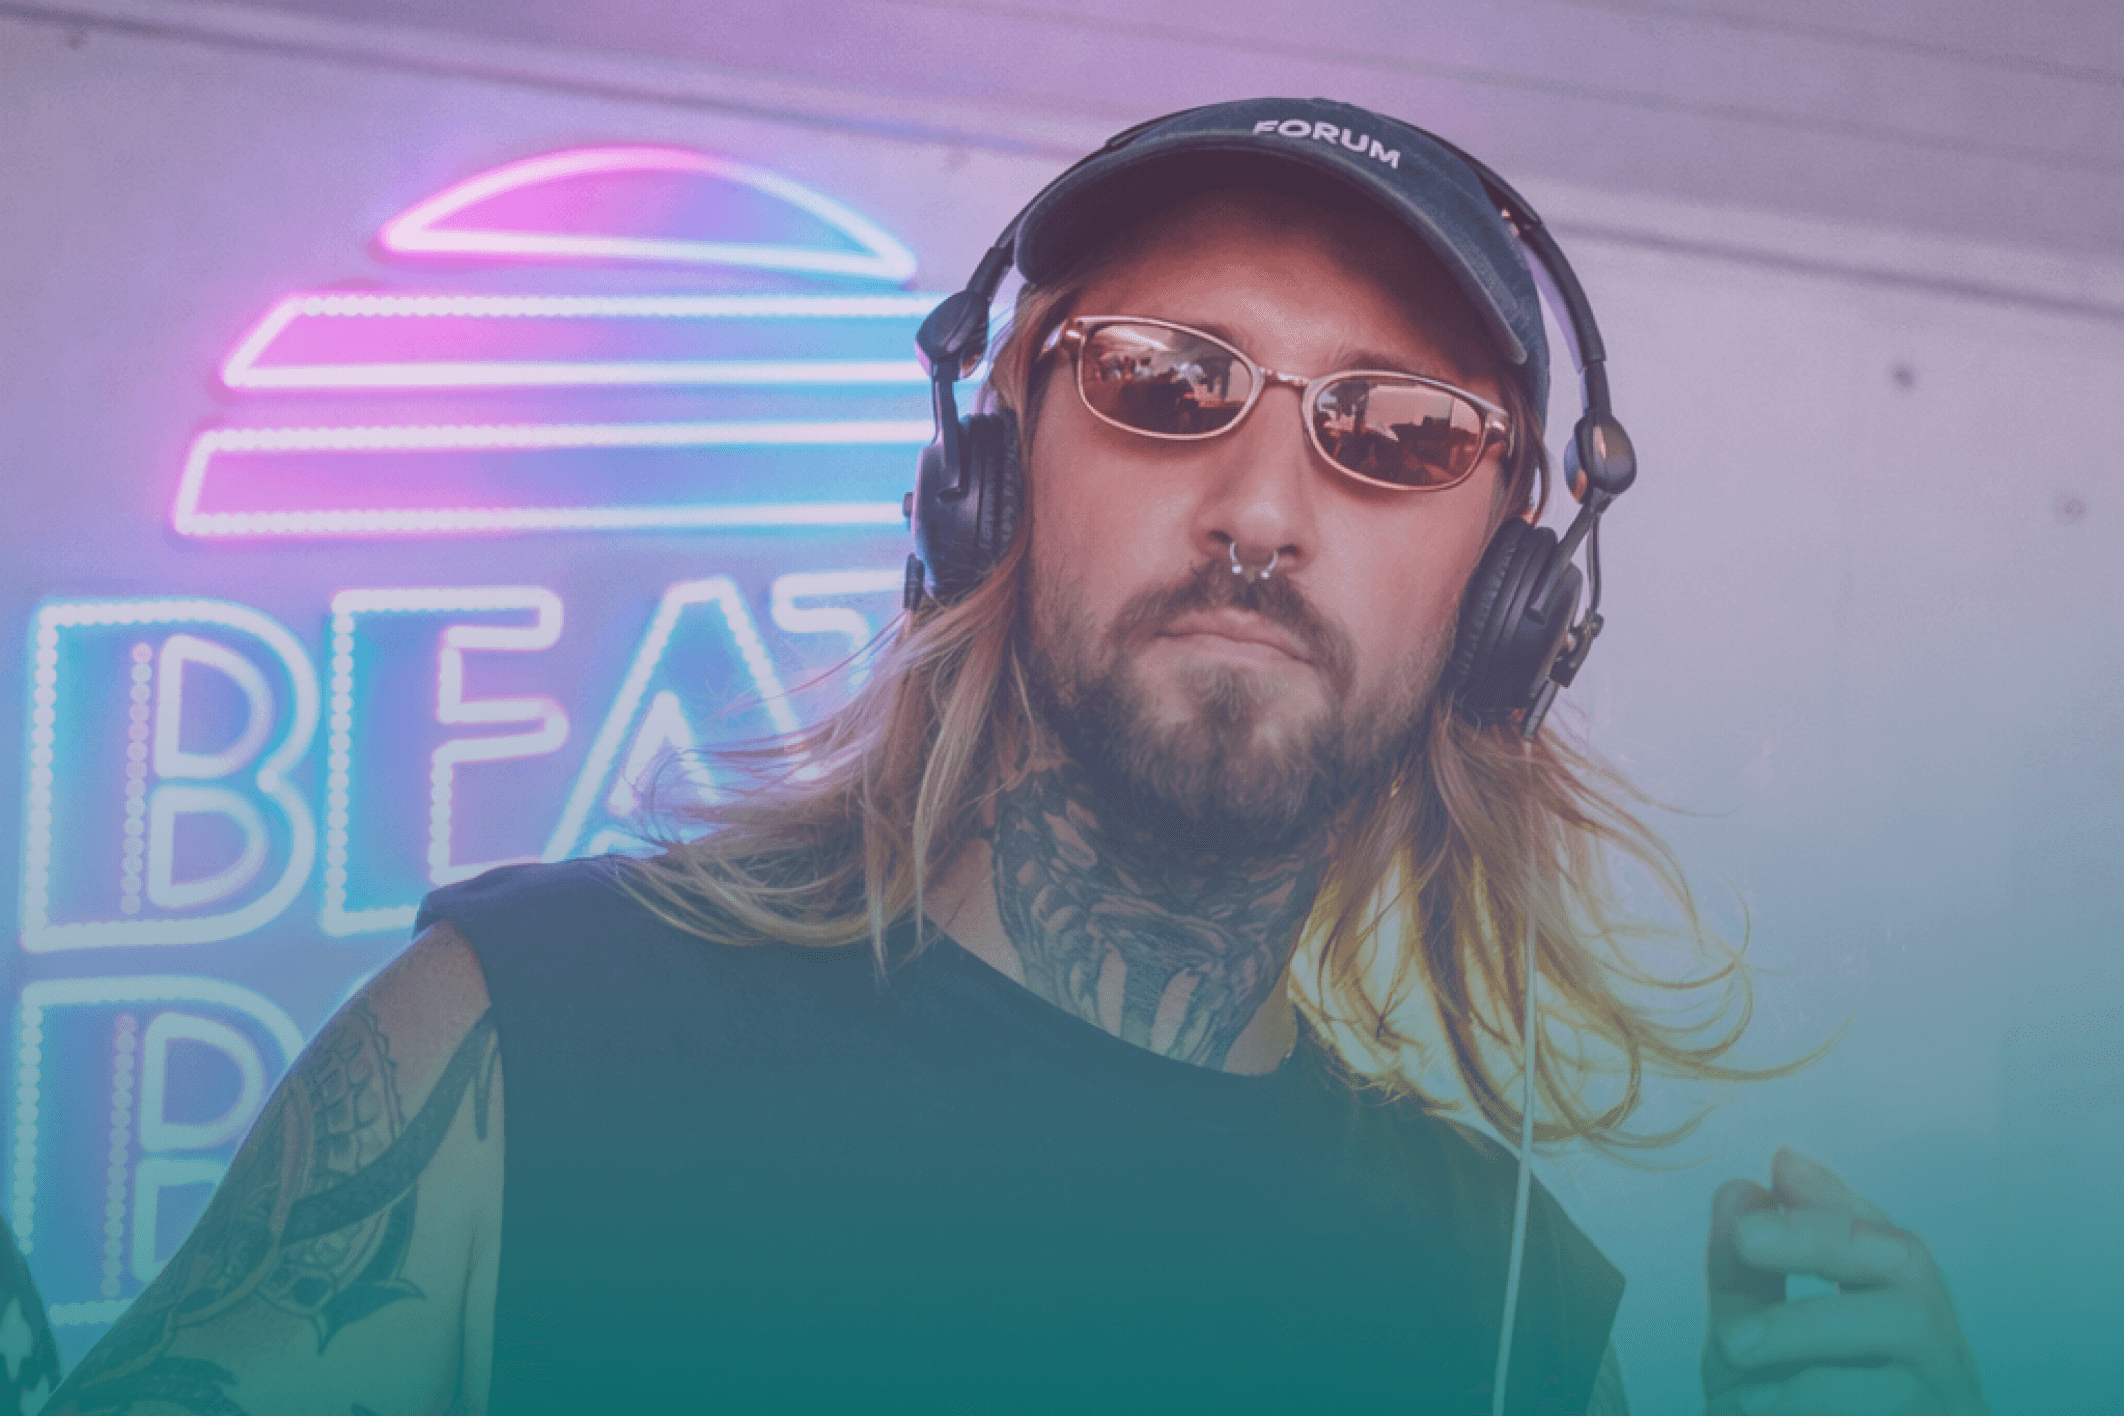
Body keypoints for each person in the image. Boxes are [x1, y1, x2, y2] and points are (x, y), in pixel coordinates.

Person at [46, 98, 1988, 1416]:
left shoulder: (1512, 1314)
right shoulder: (519, 1037)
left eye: (1398, 431)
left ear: (1510, 602)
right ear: (986, 484)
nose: (1260, 509)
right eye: (1164, 382)